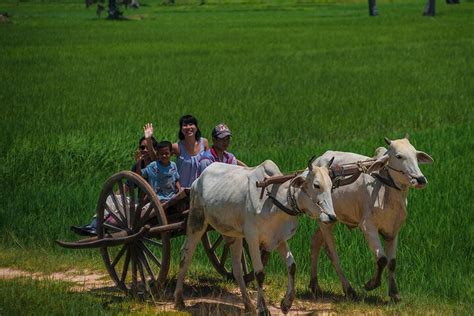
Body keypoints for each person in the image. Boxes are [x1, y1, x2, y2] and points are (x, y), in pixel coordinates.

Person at [70, 136, 158, 236]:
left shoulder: (157, 165)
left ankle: (98, 227)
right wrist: (115, 199)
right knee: (111, 198)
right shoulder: (138, 166)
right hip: (139, 201)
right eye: (142, 148)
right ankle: (94, 226)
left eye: (148, 148)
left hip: (149, 203)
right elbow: (128, 186)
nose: (145, 150)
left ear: (154, 149)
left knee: (125, 206)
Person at [144, 115, 209, 188]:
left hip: (200, 189)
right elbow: (157, 158)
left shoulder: (204, 143)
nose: (188, 127)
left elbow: (209, 164)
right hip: (182, 190)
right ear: (181, 130)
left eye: (191, 124)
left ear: (196, 128)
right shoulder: (177, 147)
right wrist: (148, 139)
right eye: (185, 125)